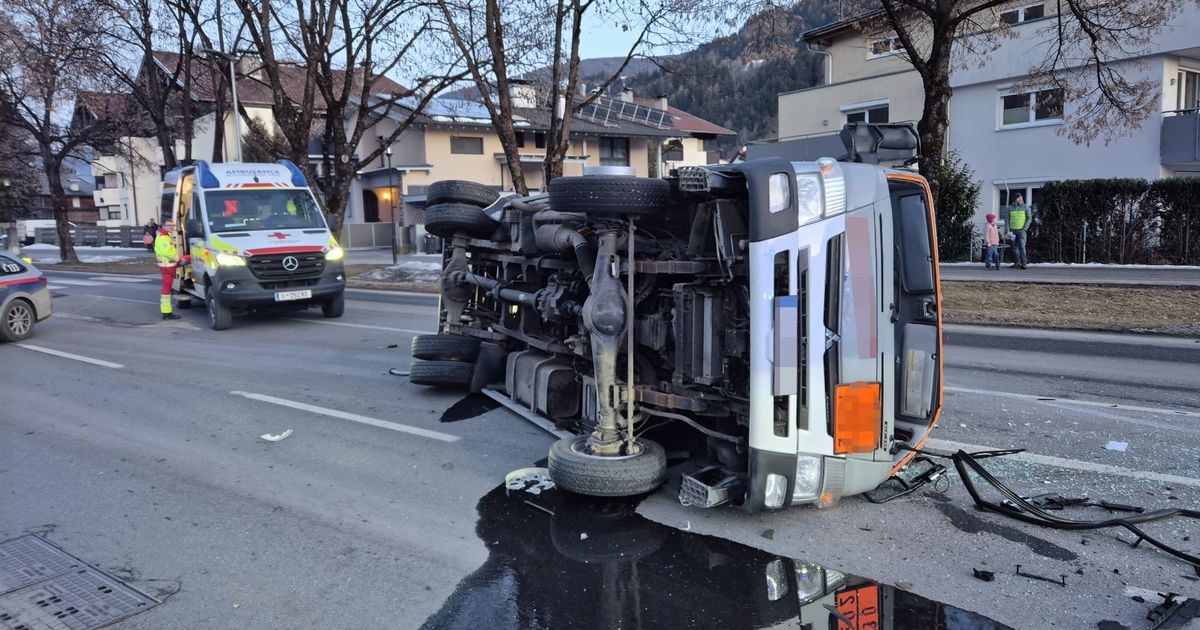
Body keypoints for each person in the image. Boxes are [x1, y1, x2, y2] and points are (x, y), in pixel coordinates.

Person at [154, 219, 182, 320]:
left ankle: (166, 312)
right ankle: (166, 313)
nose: (171, 227)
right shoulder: (163, 237)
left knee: (167, 289)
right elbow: (167, 252)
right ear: (163, 226)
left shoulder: (166, 235)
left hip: (168, 266)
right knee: (166, 289)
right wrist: (178, 259)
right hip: (167, 267)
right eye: (169, 225)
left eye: (173, 225)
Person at [1008, 194, 1031, 269]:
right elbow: (1006, 220)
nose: (1021, 199)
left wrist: (1024, 229)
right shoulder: (1009, 208)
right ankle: (1017, 262)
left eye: (1021, 198)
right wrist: (1007, 231)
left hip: (1022, 231)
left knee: (1022, 246)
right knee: (1014, 247)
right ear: (1015, 199)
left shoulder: (1025, 207)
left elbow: (1029, 218)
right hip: (1012, 232)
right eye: (1019, 198)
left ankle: (1024, 263)